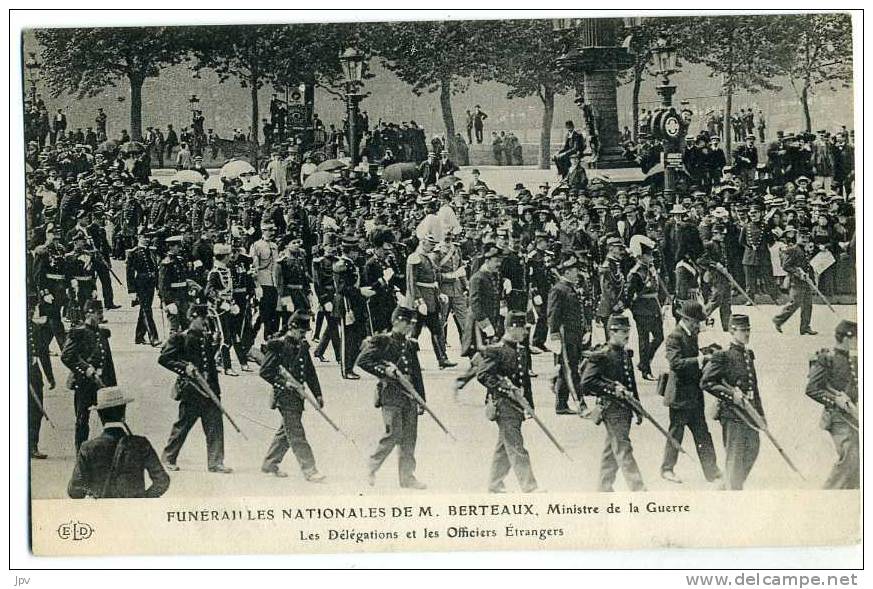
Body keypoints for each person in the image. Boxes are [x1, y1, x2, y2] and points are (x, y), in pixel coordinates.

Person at [356, 306, 428, 489]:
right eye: (406, 323)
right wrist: (385, 371)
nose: (409, 327)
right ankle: (371, 467)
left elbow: (416, 373)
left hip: (409, 395)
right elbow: (363, 361)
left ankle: (407, 477)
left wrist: (421, 399)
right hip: (391, 395)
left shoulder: (410, 344)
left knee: (410, 437)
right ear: (396, 321)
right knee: (393, 434)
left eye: (411, 324)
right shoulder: (383, 341)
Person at [158, 303, 232, 474]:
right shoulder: (180, 338)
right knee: (183, 425)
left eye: (206, 319)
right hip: (192, 390)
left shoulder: (205, 337)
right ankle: (168, 457)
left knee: (215, 425)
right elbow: (164, 359)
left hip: (210, 389)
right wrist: (184, 368)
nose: (205, 322)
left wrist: (215, 345)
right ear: (192, 318)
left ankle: (216, 462)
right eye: (202, 318)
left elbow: (207, 361)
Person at [581, 314, 647, 492]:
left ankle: (604, 488)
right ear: (612, 332)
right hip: (612, 409)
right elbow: (587, 383)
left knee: (612, 451)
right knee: (624, 449)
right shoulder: (602, 355)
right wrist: (611, 388)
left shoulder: (624, 353)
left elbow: (631, 383)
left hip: (625, 408)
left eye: (628, 331)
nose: (627, 335)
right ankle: (639, 490)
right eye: (623, 332)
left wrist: (637, 408)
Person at [476, 311, 540, 493]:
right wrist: (506, 389)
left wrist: (529, 406)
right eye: (523, 329)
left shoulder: (521, 351)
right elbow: (483, 375)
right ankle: (529, 486)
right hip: (503, 405)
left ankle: (494, 484)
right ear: (512, 328)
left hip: (517, 406)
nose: (525, 333)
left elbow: (525, 381)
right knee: (516, 446)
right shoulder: (495, 350)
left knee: (504, 447)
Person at [259, 311, 326, 482]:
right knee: (296, 433)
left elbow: (310, 372)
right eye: (301, 332)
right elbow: (265, 371)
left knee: (286, 432)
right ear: (292, 328)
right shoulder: (278, 346)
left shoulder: (302, 346)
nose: (303, 336)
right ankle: (310, 470)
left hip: (298, 397)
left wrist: (317, 393)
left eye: (305, 333)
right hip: (284, 396)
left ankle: (269, 464)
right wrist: (284, 383)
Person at [67, 387, 170, 499]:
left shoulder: (88, 448)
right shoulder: (141, 444)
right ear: (123, 413)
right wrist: (143, 498)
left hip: (102, 512)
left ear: (100, 415)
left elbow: (74, 491)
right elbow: (162, 481)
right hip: (133, 512)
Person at [660, 301, 722, 485]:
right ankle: (667, 469)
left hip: (693, 394)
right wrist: (700, 359)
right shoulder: (674, 337)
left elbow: (691, 356)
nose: (698, 325)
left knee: (702, 433)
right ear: (686, 319)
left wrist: (706, 352)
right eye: (696, 322)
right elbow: (676, 364)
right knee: (676, 433)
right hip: (679, 395)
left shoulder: (690, 334)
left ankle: (712, 471)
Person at [805, 320, 859, 489]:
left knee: (858, 464)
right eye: (857, 338)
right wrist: (835, 400)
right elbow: (812, 389)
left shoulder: (853, 359)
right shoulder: (827, 359)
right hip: (837, 417)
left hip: (852, 415)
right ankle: (827, 494)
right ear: (846, 339)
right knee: (851, 458)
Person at [61, 299, 118, 452]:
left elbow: (108, 362)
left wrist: (111, 385)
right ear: (88, 314)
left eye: (101, 312)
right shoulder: (79, 333)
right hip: (84, 384)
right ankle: (81, 453)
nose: (101, 316)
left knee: (110, 419)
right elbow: (66, 356)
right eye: (98, 313)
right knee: (82, 420)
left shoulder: (101, 333)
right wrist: (85, 369)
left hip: (101, 384)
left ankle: (111, 453)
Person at [548, 255, 590, 416]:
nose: (577, 273)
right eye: (574, 270)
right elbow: (553, 315)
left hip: (575, 335)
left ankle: (561, 404)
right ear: (566, 272)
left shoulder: (572, 288)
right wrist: (555, 336)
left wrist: (586, 330)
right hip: (566, 336)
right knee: (571, 371)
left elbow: (581, 312)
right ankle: (581, 404)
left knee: (565, 370)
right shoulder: (559, 289)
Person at [406, 233, 454, 368]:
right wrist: (418, 300)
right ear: (423, 243)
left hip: (431, 300)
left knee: (437, 329)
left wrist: (439, 294)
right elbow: (411, 282)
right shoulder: (414, 258)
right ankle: (411, 362)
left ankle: (442, 359)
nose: (432, 247)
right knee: (415, 333)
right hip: (421, 301)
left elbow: (432, 280)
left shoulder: (427, 257)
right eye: (430, 244)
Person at [623, 236, 666, 381]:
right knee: (644, 340)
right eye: (649, 255)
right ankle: (646, 369)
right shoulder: (635, 273)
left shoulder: (650, 268)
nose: (651, 257)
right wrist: (630, 308)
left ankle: (643, 362)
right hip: (642, 308)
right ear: (641, 256)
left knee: (659, 337)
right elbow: (629, 294)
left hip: (654, 306)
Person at [773, 226, 817, 335]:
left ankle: (805, 327)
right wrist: (798, 273)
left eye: (806, 237)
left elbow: (808, 266)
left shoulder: (805, 249)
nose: (805, 239)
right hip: (796, 282)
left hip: (806, 281)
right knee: (795, 303)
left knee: (808, 304)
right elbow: (786, 266)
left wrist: (811, 279)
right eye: (802, 237)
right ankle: (778, 320)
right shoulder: (793, 249)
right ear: (797, 237)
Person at [126, 231, 161, 347]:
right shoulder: (134, 253)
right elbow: (129, 273)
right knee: (146, 309)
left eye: (148, 237)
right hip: (140, 284)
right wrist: (131, 290)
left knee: (144, 309)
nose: (146, 239)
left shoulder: (151, 251)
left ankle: (139, 336)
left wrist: (158, 285)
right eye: (144, 236)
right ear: (138, 237)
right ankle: (153, 337)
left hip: (150, 283)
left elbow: (155, 270)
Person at [249, 221, 280, 339]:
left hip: (274, 283)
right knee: (263, 313)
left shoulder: (274, 246)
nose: (272, 233)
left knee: (274, 313)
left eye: (273, 230)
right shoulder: (257, 245)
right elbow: (254, 268)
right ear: (263, 231)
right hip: (263, 283)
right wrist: (257, 286)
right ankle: (252, 336)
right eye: (269, 230)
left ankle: (270, 339)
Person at [158, 235, 191, 334]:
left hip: (183, 297)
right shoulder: (166, 263)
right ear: (171, 247)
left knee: (186, 326)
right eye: (178, 246)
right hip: (173, 298)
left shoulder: (180, 260)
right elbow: (162, 285)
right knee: (174, 327)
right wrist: (168, 302)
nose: (180, 248)